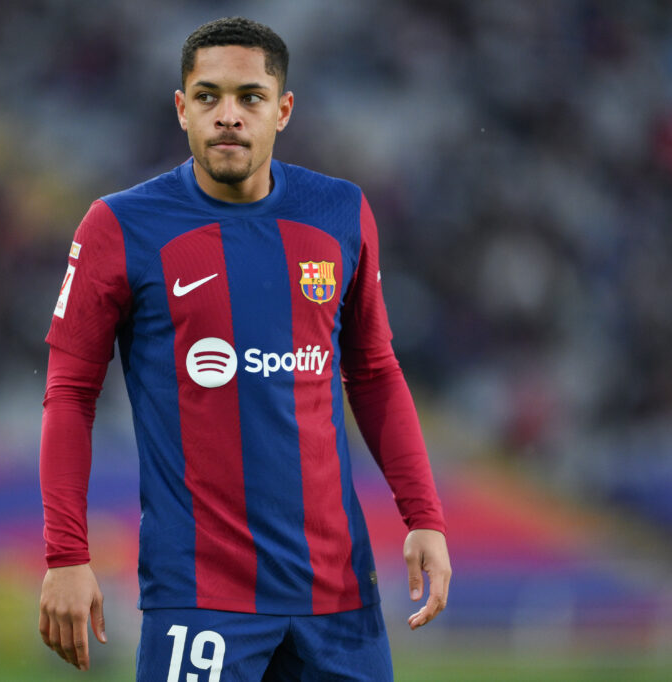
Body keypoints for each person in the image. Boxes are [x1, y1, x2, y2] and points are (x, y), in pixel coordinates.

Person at [38, 17, 451, 680]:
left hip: (338, 597)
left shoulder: (339, 213)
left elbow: (373, 373)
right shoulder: (120, 226)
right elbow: (69, 394)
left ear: (283, 110)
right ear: (181, 108)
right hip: (201, 599)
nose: (228, 115)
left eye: (250, 97)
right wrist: (65, 555)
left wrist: (423, 516)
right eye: (207, 96)